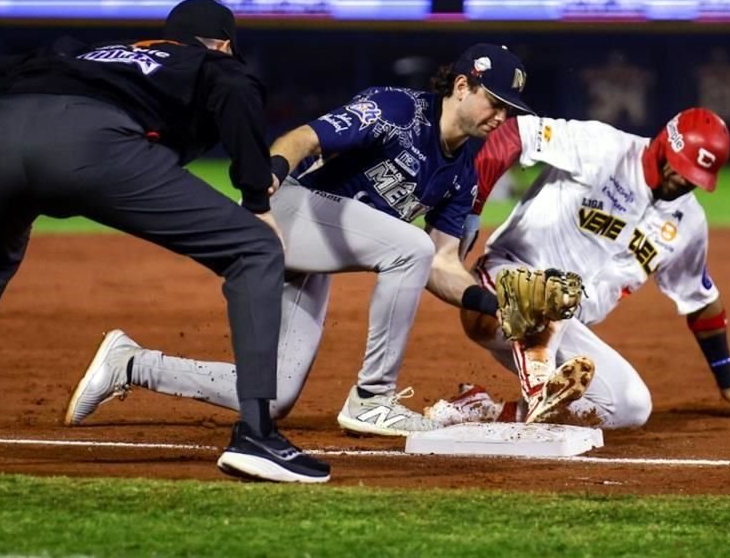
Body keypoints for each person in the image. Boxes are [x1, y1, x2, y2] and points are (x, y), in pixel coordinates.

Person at [64, 43, 541, 436]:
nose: (500, 116)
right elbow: (304, 138)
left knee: (273, 396)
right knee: (406, 246)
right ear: (462, 86)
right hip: (292, 212)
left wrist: (488, 301)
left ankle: (131, 364)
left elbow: (440, 263)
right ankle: (373, 397)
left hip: (320, 250)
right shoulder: (398, 110)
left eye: (508, 110)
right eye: (494, 102)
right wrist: (267, 179)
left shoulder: (464, 174)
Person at [0, 0, 329, 483]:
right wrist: (257, 200)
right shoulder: (205, 59)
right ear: (221, 43)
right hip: (91, 144)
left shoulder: (88, 52)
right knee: (253, 247)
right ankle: (257, 436)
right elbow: (236, 88)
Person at [429, 107, 730, 428]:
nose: (686, 181)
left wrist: (728, 383)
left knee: (630, 407)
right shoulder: (603, 148)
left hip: (564, 326)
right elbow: (515, 133)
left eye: (696, 177)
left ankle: (483, 409)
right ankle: (539, 386)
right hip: (502, 293)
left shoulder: (688, 223)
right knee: (555, 293)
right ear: (664, 144)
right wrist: (470, 211)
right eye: (682, 167)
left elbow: (701, 302)